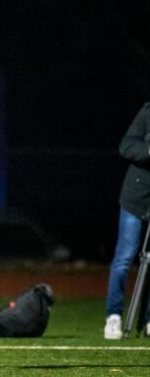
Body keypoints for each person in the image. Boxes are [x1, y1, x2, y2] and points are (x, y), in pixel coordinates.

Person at [104, 102, 150, 339]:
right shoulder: (147, 111)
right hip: (136, 196)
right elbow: (127, 145)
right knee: (124, 257)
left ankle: (149, 319)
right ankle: (113, 317)